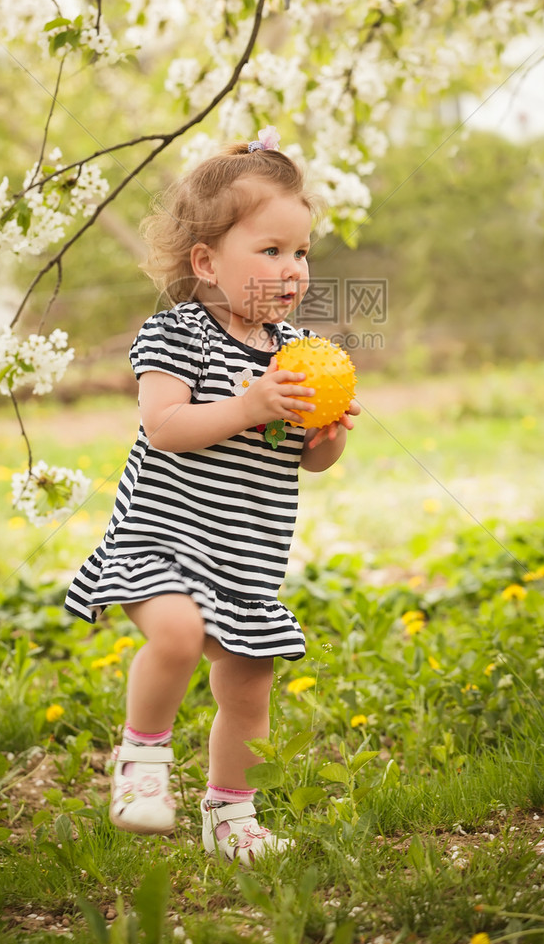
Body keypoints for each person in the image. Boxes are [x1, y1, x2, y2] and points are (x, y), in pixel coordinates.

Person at [64, 126, 360, 863]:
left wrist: (326, 439)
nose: (293, 270)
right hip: (161, 542)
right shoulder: (177, 335)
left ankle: (232, 817)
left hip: (245, 558)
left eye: (301, 253)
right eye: (271, 251)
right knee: (176, 633)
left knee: (248, 687)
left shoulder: (299, 357)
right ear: (207, 261)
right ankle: (141, 766)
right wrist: (253, 406)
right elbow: (164, 426)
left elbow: (308, 464)